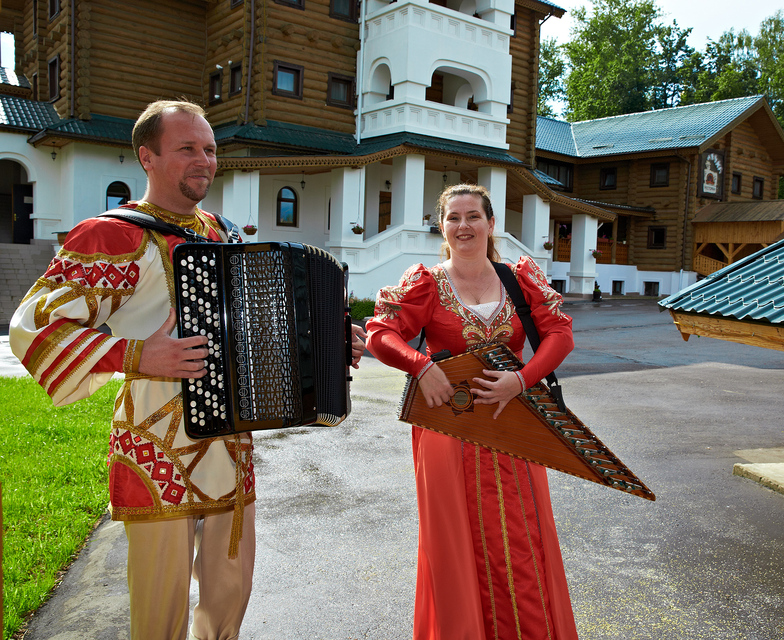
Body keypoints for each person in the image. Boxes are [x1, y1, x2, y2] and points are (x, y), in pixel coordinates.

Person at [9, 100, 365, 640]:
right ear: (146, 157)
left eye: (210, 149)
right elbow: (32, 326)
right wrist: (134, 355)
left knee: (230, 593)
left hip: (231, 442)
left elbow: (256, 321)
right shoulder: (111, 235)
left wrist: (333, 342)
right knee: (160, 606)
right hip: (157, 452)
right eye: (187, 149)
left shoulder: (222, 231)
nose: (204, 160)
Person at [365, 183, 579, 639]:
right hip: (449, 429)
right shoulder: (426, 282)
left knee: (522, 539)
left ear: (491, 223)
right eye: (453, 218)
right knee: (455, 544)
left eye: (473, 216)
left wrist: (521, 379)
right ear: (442, 228)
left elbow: (560, 334)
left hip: (515, 424)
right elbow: (380, 335)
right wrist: (421, 367)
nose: (464, 226)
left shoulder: (519, 278)